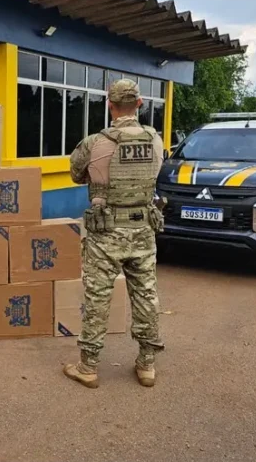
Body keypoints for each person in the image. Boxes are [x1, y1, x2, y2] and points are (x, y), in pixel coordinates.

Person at [64, 79, 165, 389]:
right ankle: (147, 365)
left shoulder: (95, 143)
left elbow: (76, 173)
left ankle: (88, 367)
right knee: (146, 295)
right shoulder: (155, 140)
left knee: (97, 297)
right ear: (139, 104)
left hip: (105, 233)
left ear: (109, 105)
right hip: (143, 230)